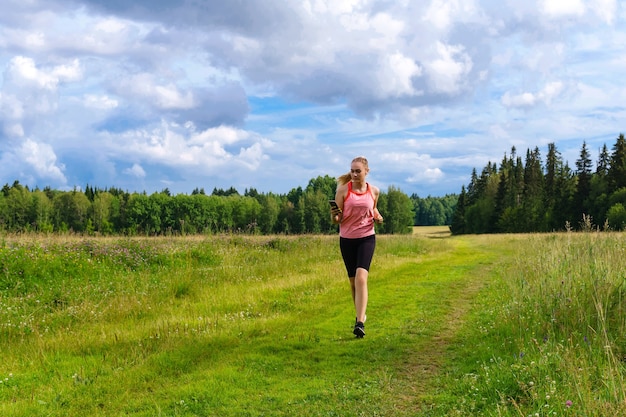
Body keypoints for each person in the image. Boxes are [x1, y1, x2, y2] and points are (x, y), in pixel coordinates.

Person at [331, 156, 383, 338]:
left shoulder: (374, 191)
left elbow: (373, 209)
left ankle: (360, 323)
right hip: (347, 239)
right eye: (352, 170)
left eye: (358, 171)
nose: (354, 174)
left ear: (366, 171)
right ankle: (359, 315)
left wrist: (378, 217)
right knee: (353, 282)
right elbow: (336, 219)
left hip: (366, 238)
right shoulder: (343, 191)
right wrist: (334, 215)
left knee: (361, 278)